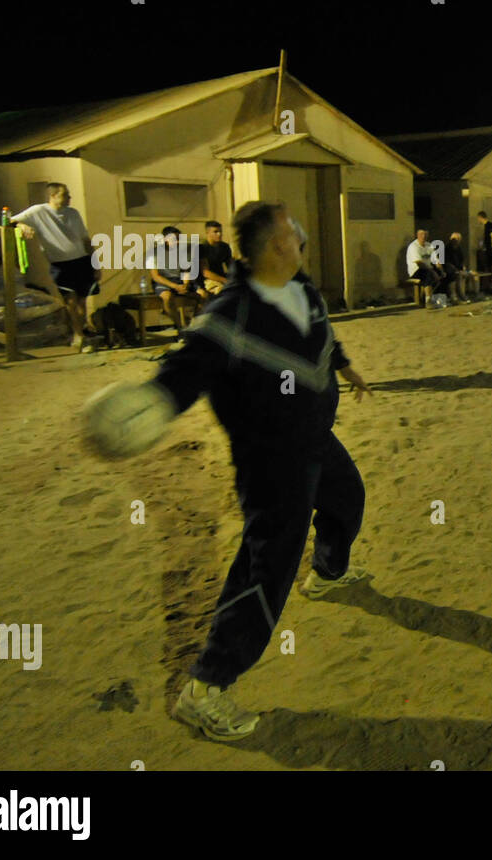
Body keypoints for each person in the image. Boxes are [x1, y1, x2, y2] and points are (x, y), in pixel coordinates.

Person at [134, 201, 371, 740]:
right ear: (272, 247)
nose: (301, 239)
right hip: (270, 463)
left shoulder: (303, 290)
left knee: (347, 498)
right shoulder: (228, 313)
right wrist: (146, 407)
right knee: (267, 567)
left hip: (313, 439)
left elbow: (323, 338)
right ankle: (206, 687)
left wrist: (346, 367)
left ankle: (329, 574)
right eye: (292, 234)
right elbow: (182, 371)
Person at [9, 182, 99, 351]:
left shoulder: (73, 213)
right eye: (65, 195)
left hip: (81, 260)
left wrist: (96, 264)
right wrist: (22, 225)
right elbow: (8, 220)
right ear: (52, 196)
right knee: (69, 300)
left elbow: (86, 240)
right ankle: (78, 335)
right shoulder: (38, 212)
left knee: (81, 301)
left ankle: (81, 333)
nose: (69, 198)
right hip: (61, 263)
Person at [147, 226, 201, 329]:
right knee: (167, 298)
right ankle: (181, 327)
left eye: (178, 239)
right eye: (174, 239)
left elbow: (185, 271)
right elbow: (155, 276)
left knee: (203, 295)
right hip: (164, 281)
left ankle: (194, 325)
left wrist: (185, 284)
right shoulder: (154, 253)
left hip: (180, 280)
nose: (177, 242)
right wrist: (175, 286)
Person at [405, 229, 455, 301]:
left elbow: (436, 260)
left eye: (425, 235)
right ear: (418, 235)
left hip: (428, 269)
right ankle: (428, 300)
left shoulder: (429, 245)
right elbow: (419, 263)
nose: (424, 236)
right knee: (428, 274)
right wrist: (433, 272)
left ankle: (450, 296)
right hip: (416, 270)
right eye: (422, 235)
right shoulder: (413, 246)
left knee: (448, 272)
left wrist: (442, 271)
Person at [199, 220, 233, 296]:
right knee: (221, 291)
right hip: (207, 280)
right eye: (215, 232)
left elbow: (231, 266)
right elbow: (205, 272)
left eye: (221, 231)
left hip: (222, 276)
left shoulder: (225, 247)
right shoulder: (202, 248)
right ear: (207, 233)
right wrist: (225, 280)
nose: (219, 234)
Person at [444, 231, 474, 302]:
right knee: (459, 275)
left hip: (458, 269)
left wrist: (463, 267)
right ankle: (460, 295)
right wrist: (455, 269)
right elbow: (446, 262)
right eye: (455, 239)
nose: (457, 241)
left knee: (474, 274)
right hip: (450, 270)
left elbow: (462, 260)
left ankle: (474, 293)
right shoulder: (446, 248)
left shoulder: (459, 249)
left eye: (458, 239)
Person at [477, 211, 492, 289]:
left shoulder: (490, 225)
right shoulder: (485, 226)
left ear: (481, 217)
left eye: (478, 218)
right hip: (488, 250)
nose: (478, 220)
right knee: (491, 268)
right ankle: (490, 286)